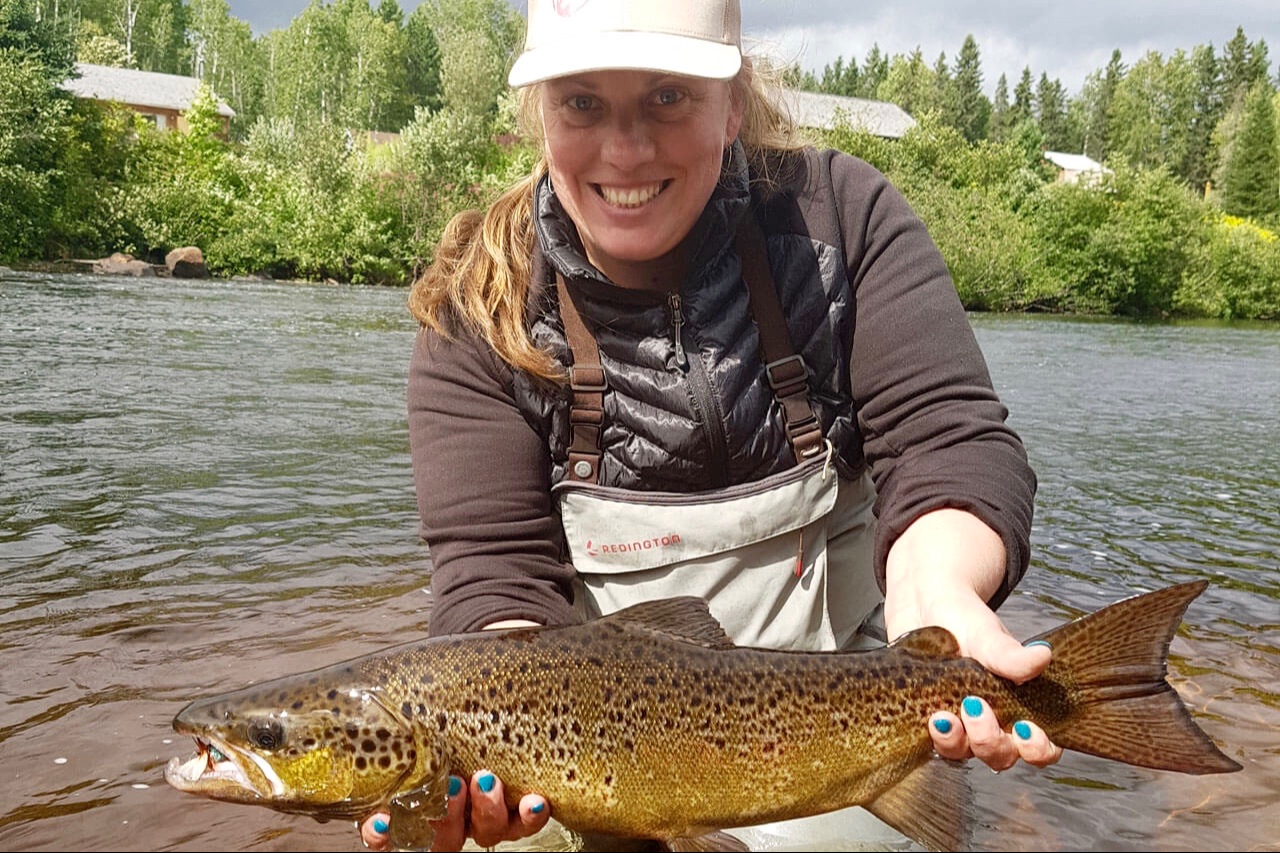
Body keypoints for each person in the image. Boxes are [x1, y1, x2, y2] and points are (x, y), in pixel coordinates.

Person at [362, 0, 1060, 849]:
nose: (626, 150)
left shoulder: (840, 222)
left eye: (667, 98)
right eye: (581, 102)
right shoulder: (480, 307)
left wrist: (941, 598)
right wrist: (501, 743)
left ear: (733, 102)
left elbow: (949, 442)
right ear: (539, 113)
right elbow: (492, 575)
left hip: (836, 711)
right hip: (586, 749)